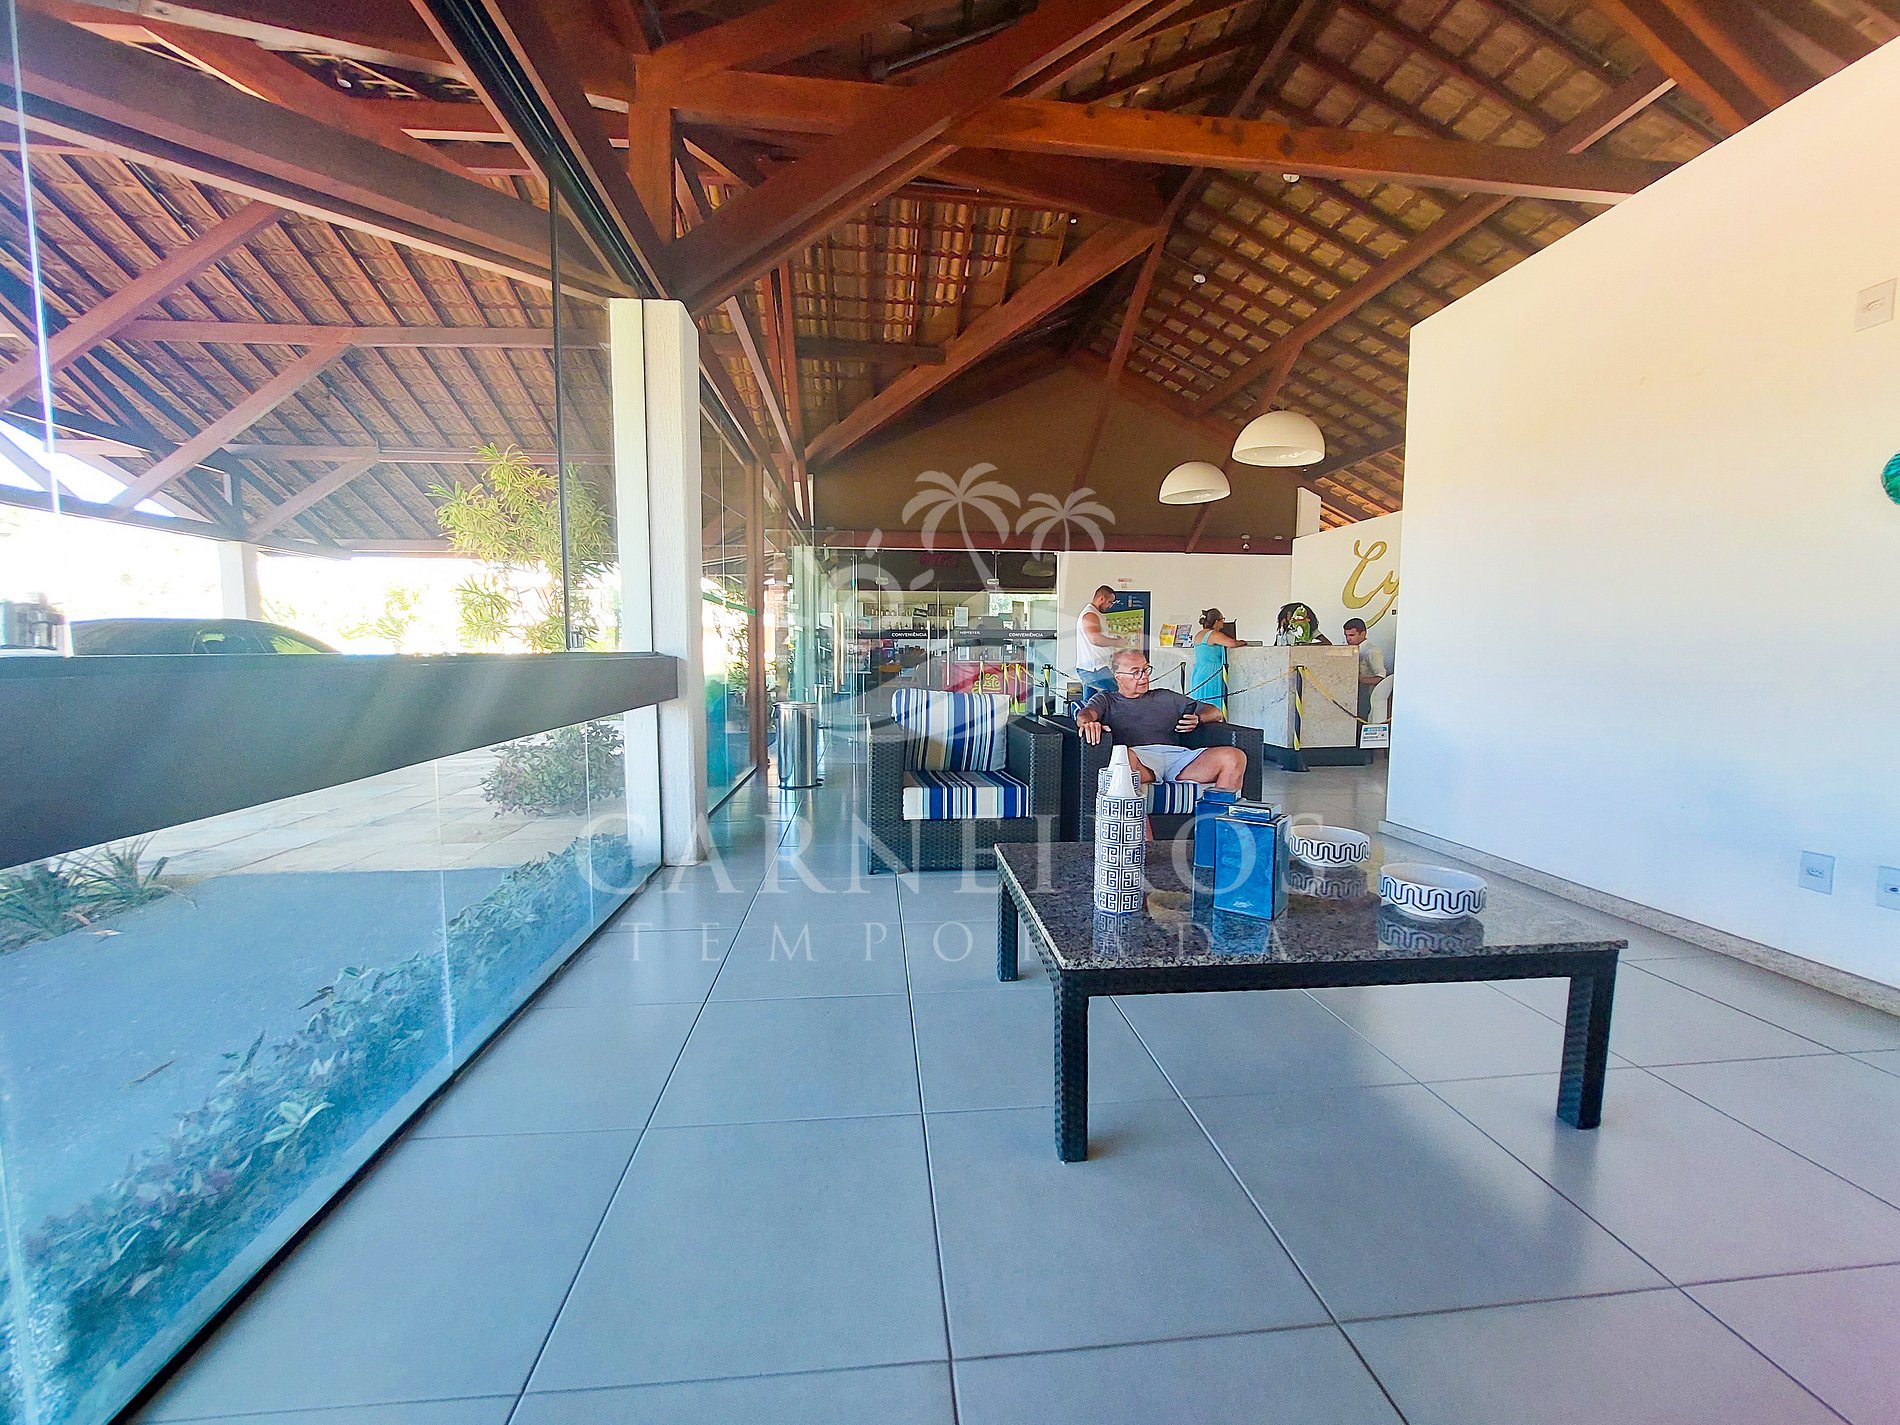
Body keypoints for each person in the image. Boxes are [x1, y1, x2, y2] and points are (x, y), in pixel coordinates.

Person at [1076, 648, 1245, 795]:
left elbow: (1215, 712)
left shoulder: (1165, 697)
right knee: (1123, 759)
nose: (1143, 677)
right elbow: (1085, 714)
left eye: (1145, 669)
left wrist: (1199, 719)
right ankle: (1140, 823)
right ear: (1118, 677)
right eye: (1135, 672)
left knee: (1234, 757)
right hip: (1139, 759)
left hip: (1178, 758)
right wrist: (1088, 723)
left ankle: (1219, 819)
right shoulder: (1106, 699)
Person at [1074, 584, 1130, 700]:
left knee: (1092, 704)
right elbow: (1095, 639)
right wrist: (1117, 642)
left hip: (1093, 668)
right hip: (1095, 669)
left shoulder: (1094, 614)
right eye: (1110, 602)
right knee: (1118, 699)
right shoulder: (1090, 614)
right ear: (1101, 599)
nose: (1110, 606)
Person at [1187, 607, 1242, 714]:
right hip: (1210, 673)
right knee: (1211, 707)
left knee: (1200, 705)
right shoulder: (1213, 634)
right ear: (1216, 621)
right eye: (1222, 619)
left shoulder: (1199, 634)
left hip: (1199, 671)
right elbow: (1232, 643)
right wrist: (1243, 642)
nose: (1223, 623)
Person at [1341, 617, 1388, 722]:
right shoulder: (1347, 649)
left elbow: (1381, 678)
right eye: (1346, 635)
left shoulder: (1372, 651)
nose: (1348, 639)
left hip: (1366, 697)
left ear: (1363, 634)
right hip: (1351, 695)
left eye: (1352, 635)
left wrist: (1358, 679)